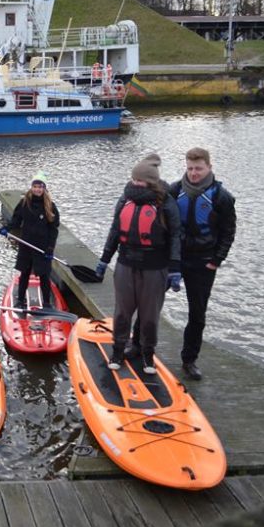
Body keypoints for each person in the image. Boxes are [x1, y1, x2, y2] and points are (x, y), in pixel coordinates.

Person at [94, 157, 181, 374]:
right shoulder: (125, 199)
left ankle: (147, 354)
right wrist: (104, 259)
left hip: (154, 267)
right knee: (122, 312)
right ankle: (117, 350)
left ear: (150, 182)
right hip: (126, 264)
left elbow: (176, 237)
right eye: (133, 178)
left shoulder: (166, 202)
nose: (135, 183)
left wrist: (175, 268)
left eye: (139, 180)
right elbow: (115, 231)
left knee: (149, 315)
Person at [168, 147, 236, 380]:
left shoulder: (221, 196)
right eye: (190, 168)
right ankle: (138, 345)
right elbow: (163, 223)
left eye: (198, 168)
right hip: (176, 259)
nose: (194, 173)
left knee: (197, 314)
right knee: (151, 300)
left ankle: (189, 360)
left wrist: (217, 260)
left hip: (203, 262)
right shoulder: (174, 190)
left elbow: (228, 231)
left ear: (209, 167)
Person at [0, 171, 60, 309]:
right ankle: (20, 300)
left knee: (44, 276)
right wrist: (7, 228)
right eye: (35, 186)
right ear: (31, 187)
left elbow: (53, 229)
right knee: (24, 273)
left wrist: (50, 249)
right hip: (26, 244)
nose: (37, 189)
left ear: (44, 188)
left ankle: (46, 303)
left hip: (43, 247)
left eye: (40, 187)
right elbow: (16, 220)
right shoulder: (24, 203)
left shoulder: (50, 206)